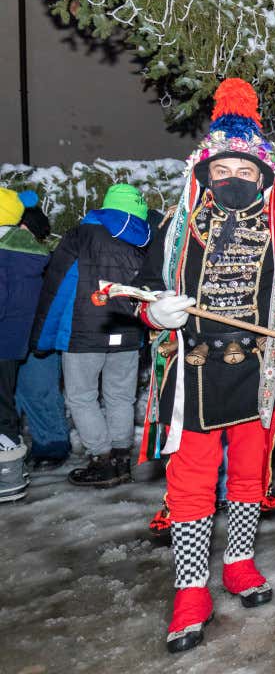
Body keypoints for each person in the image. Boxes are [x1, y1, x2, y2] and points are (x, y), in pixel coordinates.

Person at [133, 79, 275, 653]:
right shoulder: (175, 228)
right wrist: (155, 312)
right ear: (205, 175)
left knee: (248, 475)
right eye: (222, 171)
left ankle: (239, 562)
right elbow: (144, 289)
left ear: (264, 176)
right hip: (191, 373)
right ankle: (191, 590)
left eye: (245, 172)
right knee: (190, 483)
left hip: (260, 374)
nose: (233, 179)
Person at [31, 183, 151, 487]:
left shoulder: (80, 236)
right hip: (127, 331)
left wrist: (42, 337)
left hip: (83, 333)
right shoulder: (144, 240)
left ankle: (102, 458)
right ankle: (122, 458)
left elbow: (57, 288)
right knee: (121, 395)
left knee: (82, 396)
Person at [0, 187, 50, 502]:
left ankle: (8, 477)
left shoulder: (3, 253)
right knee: (5, 402)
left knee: (2, 409)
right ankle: (13, 467)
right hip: (14, 340)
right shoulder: (28, 251)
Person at [13, 195, 71, 468]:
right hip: (12, 333)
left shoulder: (49, 259)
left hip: (39, 335)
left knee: (40, 391)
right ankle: (11, 445)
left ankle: (52, 445)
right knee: (14, 394)